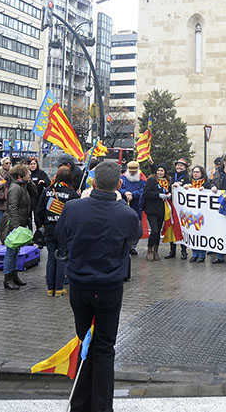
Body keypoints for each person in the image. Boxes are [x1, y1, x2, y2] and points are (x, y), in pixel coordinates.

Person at [55, 161, 141, 412]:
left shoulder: (73, 208)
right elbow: (132, 240)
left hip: (80, 284)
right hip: (109, 287)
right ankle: (102, 407)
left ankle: (80, 405)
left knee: (85, 342)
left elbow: (62, 236)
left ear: (93, 183)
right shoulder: (126, 213)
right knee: (104, 346)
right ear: (118, 184)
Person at [37, 165, 78, 297]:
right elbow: (74, 215)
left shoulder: (47, 190)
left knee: (50, 258)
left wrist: (41, 225)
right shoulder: (71, 193)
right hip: (64, 231)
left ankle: (50, 289)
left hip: (49, 229)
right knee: (61, 258)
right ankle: (59, 289)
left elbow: (39, 211)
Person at [1, 163, 33, 290]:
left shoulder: (22, 186)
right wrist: (16, 227)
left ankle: (14, 276)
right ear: (20, 176)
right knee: (11, 252)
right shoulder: (15, 188)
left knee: (15, 251)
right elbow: (12, 207)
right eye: (27, 173)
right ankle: (7, 279)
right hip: (13, 223)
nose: (30, 174)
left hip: (20, 222)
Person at [142, 164, 170, 261]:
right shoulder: (152, 180)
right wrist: (158, 195)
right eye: (158, 170)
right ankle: (149, 250)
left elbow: (169, 192)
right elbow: (146, 193)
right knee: (154, 230)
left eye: (162, 170)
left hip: (161, 210)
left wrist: (169, 194)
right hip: (151, 209)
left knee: (158, 231)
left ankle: (156, 250)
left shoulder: (167, 182)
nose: (160, 172)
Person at [185, 165, 210, 263]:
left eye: (197, 172)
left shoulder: (207, 184)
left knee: (201, 233)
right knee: (193, 233)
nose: (195, 174)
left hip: (203, 214)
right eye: (194, 172)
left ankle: (202, 255)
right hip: (192, 214)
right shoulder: (189, 183)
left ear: (202, 173)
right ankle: (194, 253)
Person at [120, 160, 146, 255]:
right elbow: (119, 188)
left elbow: (143, 190)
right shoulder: (122, 177)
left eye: (134, 171)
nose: (132, 172)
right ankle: (124, 245)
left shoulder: (142, 178)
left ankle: (133, 246)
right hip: (124, 205)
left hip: (136, 206)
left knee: (137, 229)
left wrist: (133, 194)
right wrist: (125, 193)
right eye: (130, 170)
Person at [168, 159, 190, 260]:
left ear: (185, 168)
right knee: (172, 227)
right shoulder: (172, 176)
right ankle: (172, 251)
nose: (179, 167)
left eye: (181, 166)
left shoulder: (187, 177)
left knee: (182, 228)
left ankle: (184, 251)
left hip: (182, 208)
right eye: (178, 165)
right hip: (172, 205)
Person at [27, 157, 51, 231]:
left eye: (34, 164)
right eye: (31, 164)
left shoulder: (41, 173)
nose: (33, 166)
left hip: (38, 199)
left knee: (38, 218)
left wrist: (44, 182)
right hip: (28, 199)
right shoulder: (26, 173)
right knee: (28, 219)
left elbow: (48, 183)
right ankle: (29, 234)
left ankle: (39, 234)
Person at [0, 157, 12, 245]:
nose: (8, 165)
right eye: (6, 163)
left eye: (9, 163)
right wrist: (5, 181)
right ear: (2, 164)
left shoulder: (12, 173)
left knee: (7, 223)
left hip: (9, 200)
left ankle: (4, 240)